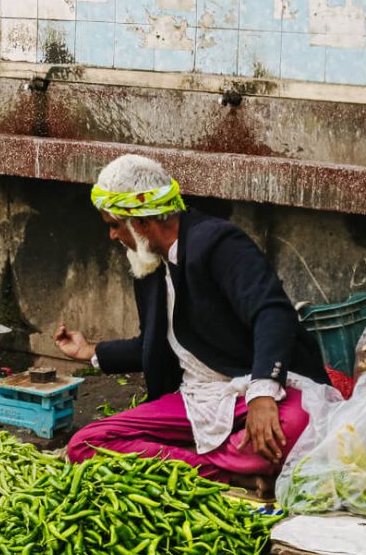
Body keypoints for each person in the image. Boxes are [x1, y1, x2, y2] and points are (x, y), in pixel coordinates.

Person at [53, 154, 330, 495]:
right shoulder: (146, 264)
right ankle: (231, 473)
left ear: (140, 223)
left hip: (248, 386)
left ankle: (192, 465)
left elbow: (271, 312)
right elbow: (156, 345)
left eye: (114, 225)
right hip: (196, 398)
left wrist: (262, 394)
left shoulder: (217, 242)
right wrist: (90, 352)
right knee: (86, 444)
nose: (112, 236)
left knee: (296, 425)